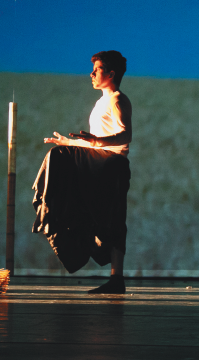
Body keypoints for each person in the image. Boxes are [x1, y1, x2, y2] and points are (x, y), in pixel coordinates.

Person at [31, 50, 132, 294]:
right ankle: (56, 213)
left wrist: (94, 141)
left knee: (113, 219)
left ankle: (116, 278)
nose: (91, 74)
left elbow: (125, 136)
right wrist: (69, 143)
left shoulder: (118, 99)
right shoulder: (101, 102)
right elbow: (95, 141)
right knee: (59, 156)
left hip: (110, 165)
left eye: (96, 70)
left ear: (111, 73)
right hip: (98, 161)